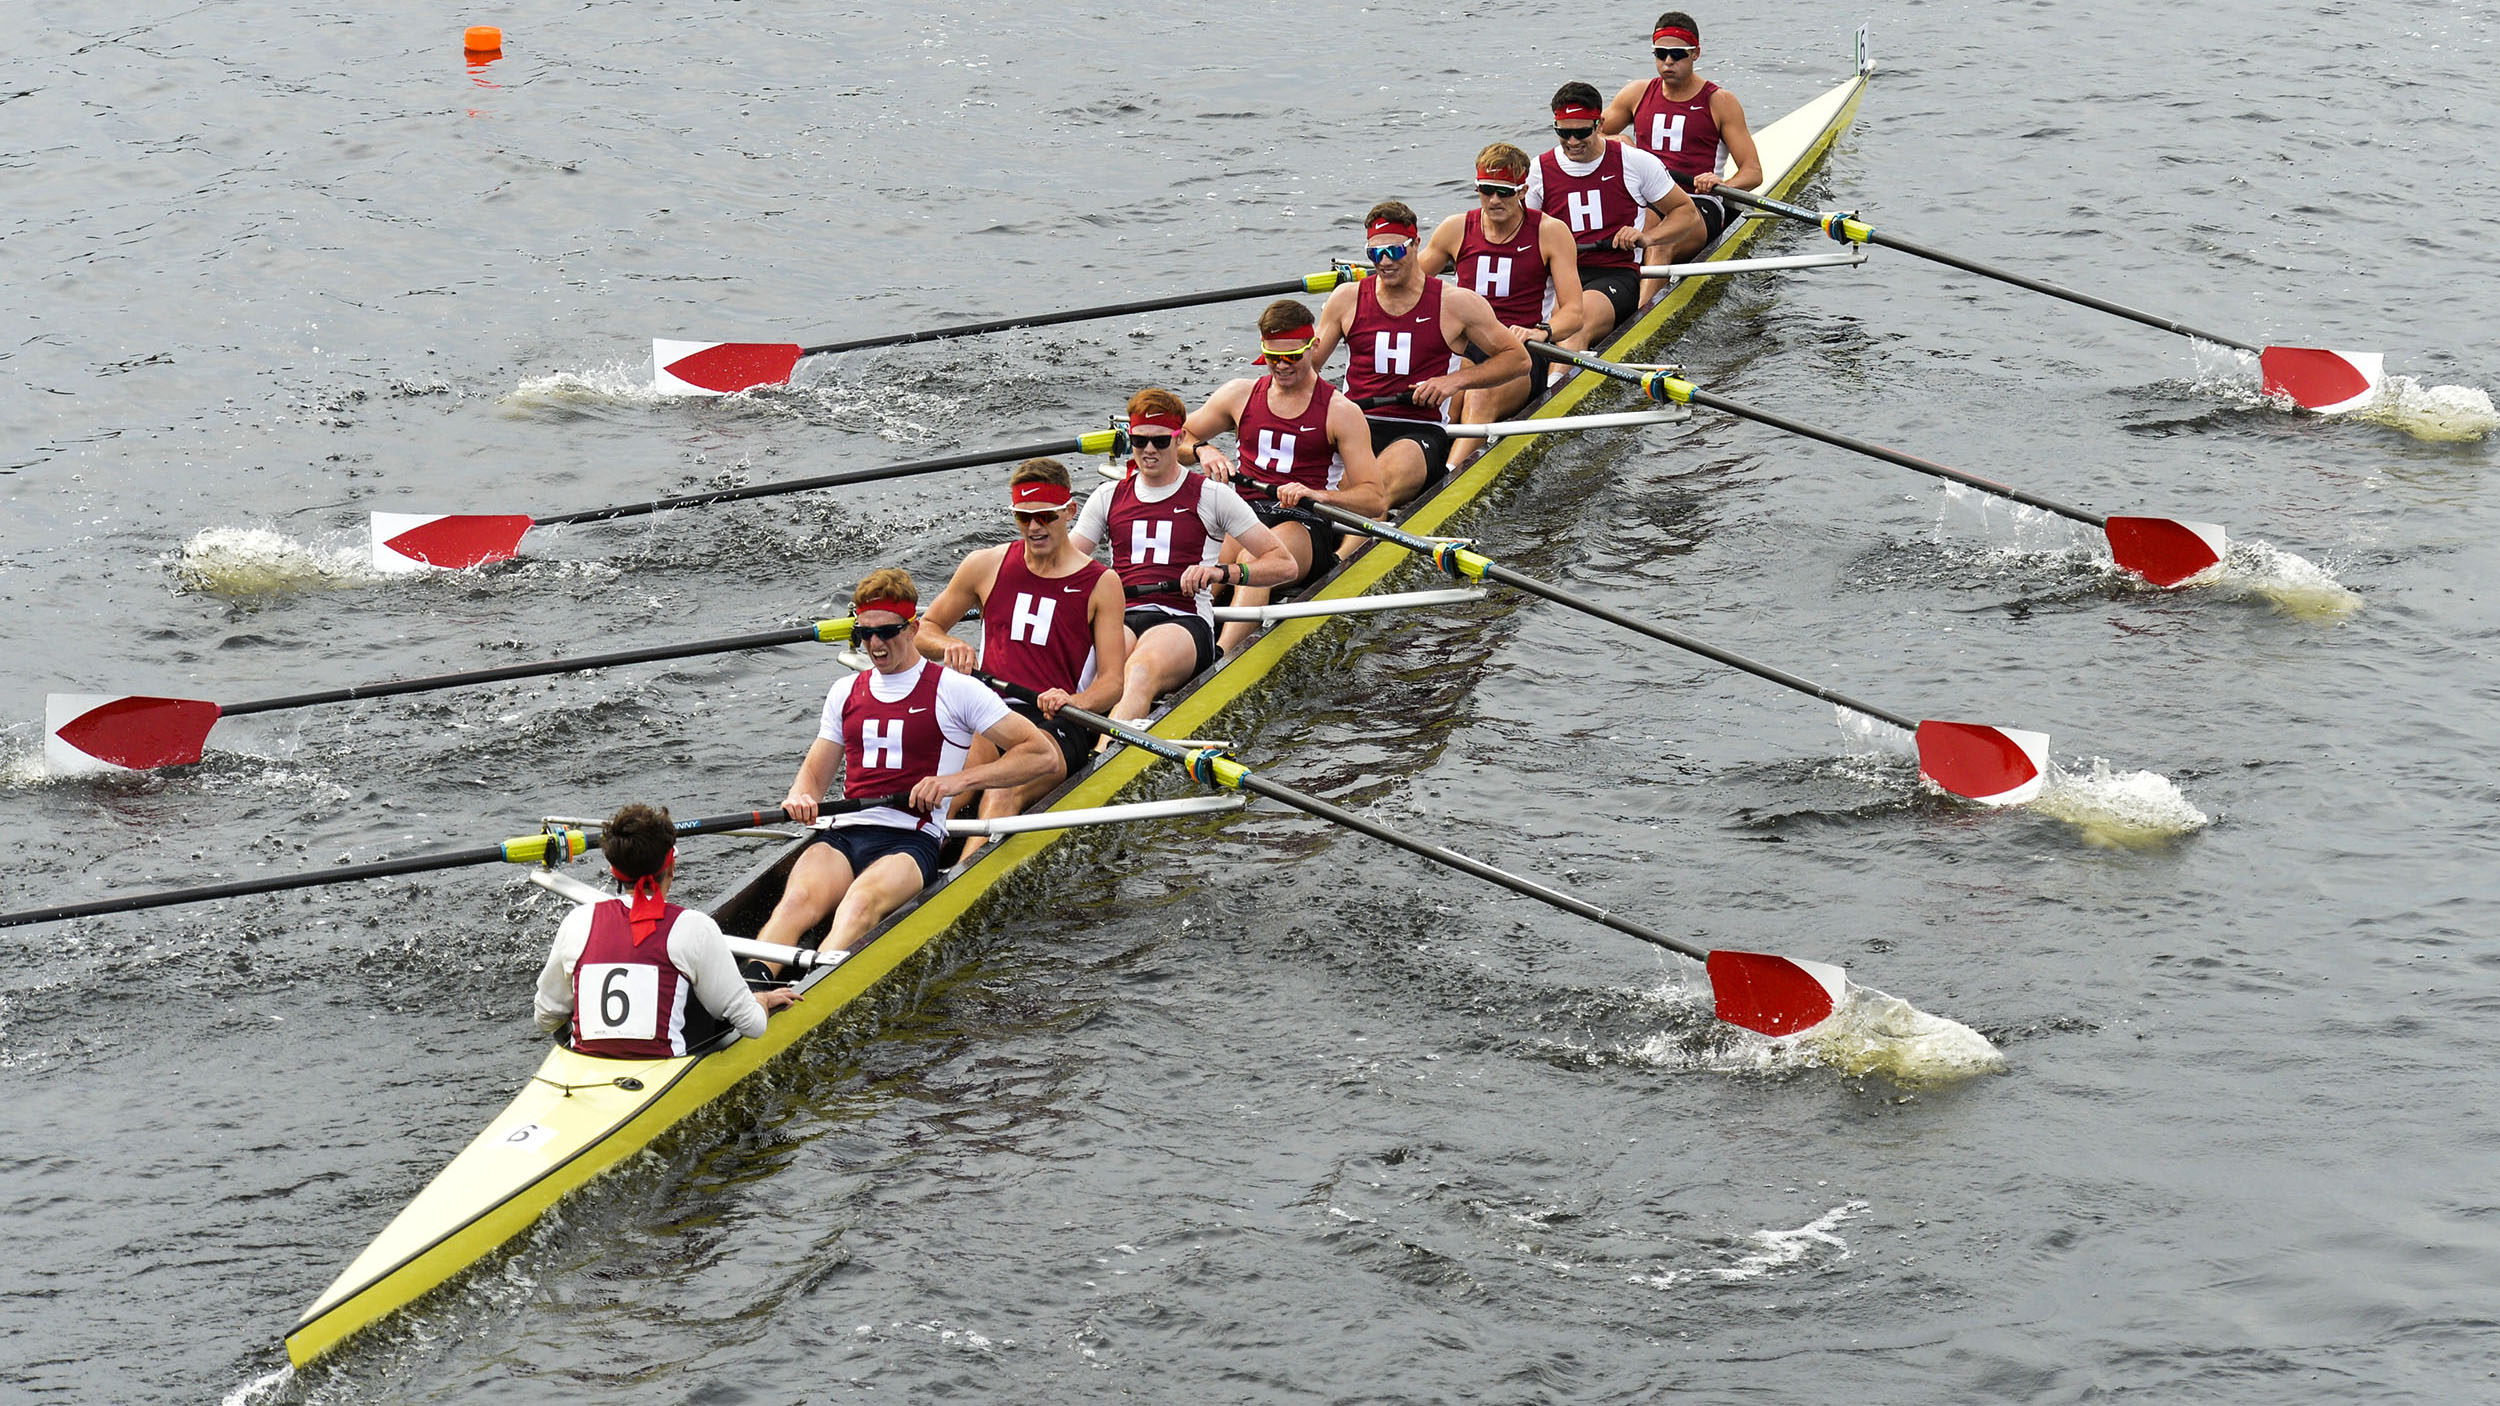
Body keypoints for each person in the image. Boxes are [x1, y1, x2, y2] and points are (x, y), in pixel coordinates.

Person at [752, 568, 1060, 962]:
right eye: (865, 634)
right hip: (845, 833)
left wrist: (954, 782)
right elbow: (816, 770)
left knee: (858, 906)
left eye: (887, 632)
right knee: (794, 903)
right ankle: (754, 994)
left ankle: (804, 996)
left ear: (913, 628)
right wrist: (801, 795)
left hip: (912, 840)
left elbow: (1042, 754)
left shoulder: (956, 689)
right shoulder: (844, 691)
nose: (875, 644)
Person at [918, 458, 1130, 852]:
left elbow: (1113, 685)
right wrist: (950, 646)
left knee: (1001, 794)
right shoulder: (985, 565)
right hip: (988, 709)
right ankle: (906, 865)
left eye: (1045, 516)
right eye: (1023, 517)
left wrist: (1074, 701)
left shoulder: (1101, 584)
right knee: (940, 791)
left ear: (1070, 511)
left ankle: (960, 889)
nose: (1034, 528)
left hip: (1057, 721)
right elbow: (923, 631)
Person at [1071, 388, 1298, 720]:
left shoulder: (1211, 496)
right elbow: (1065, 564)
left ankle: (1103, 759)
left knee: (1138, 672)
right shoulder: (1108, 496)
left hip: (1183, 619)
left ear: (1179, 440)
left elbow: (1284, 564)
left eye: (1161, 441)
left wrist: (1223, 573)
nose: (1149, 450)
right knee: (1080, 668)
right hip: (1124, 615)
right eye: (1139, 441)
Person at [1183, 299, 1393, 651]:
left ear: (1313, 348)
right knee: (1199, 563)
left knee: (1256, 560)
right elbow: (1177, 438)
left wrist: (1319, 495)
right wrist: (1203, 449)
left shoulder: (1341, 412)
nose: (1281, 366)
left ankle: (1221, 658)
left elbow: (1375, 500)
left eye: (1293, 357)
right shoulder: (1239, 394)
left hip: (1304, 521)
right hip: (1245, 510)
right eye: (1272, 356)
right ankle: (1182, 637)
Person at [533, 802, 796, 1056]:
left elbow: (545, 1017)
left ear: (615, 871)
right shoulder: (694, 928)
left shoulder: (578, 921)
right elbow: (753, 1026)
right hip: (664, 1071)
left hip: (587, 1067)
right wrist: (760, 1001)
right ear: (672, 867)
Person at [1306, 200, 1530, 491]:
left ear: (1416, 245)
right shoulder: (1345, 299)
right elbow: (1309, 368)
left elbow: (1518, 360)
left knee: (1371, 491)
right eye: (1374, 253)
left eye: (1395, 251)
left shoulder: (1456, 303)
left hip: (1418, 429)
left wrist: (1453, 382)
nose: (1384, 262)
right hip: (1356, 423)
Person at [1419, 147, 1586, 466]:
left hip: (1518, 353)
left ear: (1523, 191)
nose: (1494, 200)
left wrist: (1543, 332)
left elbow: (1574, 313)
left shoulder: (1550, 232)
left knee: (1479, 398)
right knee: (1432, 399)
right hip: (1464, 348)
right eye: (1486, 190)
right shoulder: (1455, 229)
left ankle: (1450, 480)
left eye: (1505, 192)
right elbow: (1409, 286)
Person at [1526, 81, 1704, 351]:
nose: (1572, 142)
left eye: (1582, 132)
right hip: (1560, 276)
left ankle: (1554, 388)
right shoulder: (1538, 170)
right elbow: (1522, 233)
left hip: (1613, 274)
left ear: (1599, 124)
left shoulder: (1634, 162)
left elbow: (1686, 213)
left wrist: (1647, 237)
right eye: (1563, 133)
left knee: (1574, 326)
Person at [1604, 11, 1762, 301]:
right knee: (1625, 235)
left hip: (1698, 202)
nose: (1667, 62)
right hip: (1651, 198)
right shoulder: (1636, 93)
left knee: (1661, 242)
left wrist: (1720, 182)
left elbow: (1753, 173)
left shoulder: (1720, 102)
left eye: (1677, 54)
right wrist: (1618, 141)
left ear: (1696, 54)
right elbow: (1587, 135)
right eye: (1660, 54)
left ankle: (1640, 319)